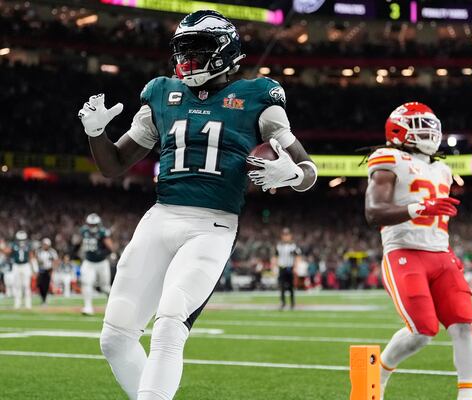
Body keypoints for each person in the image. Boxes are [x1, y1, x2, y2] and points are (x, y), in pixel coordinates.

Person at [77, 10, 317, 400]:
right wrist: (96, 132)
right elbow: (113, 165)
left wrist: (290, 175)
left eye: (197, 48)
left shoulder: (259, 96)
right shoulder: (161, 92)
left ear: (225, 50)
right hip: (160, 217)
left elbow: (309, 170)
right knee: (115, 338)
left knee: (171, 321)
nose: (187, 58)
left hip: (213, 225)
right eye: (183, 49)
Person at [364, 102, 472, 400]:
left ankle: (468, 397)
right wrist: (419, 207)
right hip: (404, 251)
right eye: (420, 125)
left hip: (441, 254)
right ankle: (375, 377)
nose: (429, 131)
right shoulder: (388, 158)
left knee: (464, 325)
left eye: (430, 125)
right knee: (422, 331)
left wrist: (448, 252)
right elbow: (374, 212)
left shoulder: (442, 168)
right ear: (399, 129)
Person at [77, 213, 114, 315]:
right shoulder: (84, 231)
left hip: (102, 262)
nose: (92, 226)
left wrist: (102, 253)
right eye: (90, 224)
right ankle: (88, 308)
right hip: (89, 262)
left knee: (105, 287)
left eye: (94, 224)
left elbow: (111, 248)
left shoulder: (103, 232)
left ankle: (111, 305)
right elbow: (78, 243)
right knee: (87, 283)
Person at [3, 231, 37, 309]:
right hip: (17, 265)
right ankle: (17, 303)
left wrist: (33, 269)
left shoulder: (28, 245)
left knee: (26, 285)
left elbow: (31, 256)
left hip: (25, 265)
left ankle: (27, 304)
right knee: (17, 285)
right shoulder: (14, 244)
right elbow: (7, 251)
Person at [274, 228, 301, 309]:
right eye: (284, 235)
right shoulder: (279, 246)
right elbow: (275, 256)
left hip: (290, 268)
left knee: (291, 287)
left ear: (290, 236)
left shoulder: (293, 246)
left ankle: (292, 303)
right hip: (282, 267)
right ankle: (283, 302)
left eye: (287, 235)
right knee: (281, 286)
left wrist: (296, 267)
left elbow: (298, 256)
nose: (286, 237)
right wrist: (275, 266)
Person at [35, 238, 59, 306]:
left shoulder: (52, 252)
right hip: (41, 269)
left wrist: (53, 268)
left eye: (46, 245)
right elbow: (36, 259)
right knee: (40, 285)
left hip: (49, 270)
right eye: (44, 244)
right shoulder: (39, 251)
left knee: (46, 285)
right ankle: (43, 298)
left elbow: (56, 260)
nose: (45, 246)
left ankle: (44, 300)